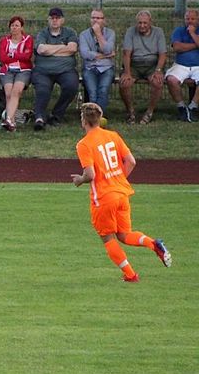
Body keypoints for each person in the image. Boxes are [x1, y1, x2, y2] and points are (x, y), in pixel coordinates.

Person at [70, 102, 171, 283]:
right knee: (124, 235)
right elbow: (131, 161)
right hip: (122, 193)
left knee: (108, 238)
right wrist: (118, 179)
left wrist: (80, 180)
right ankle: (154, 244)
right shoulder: (113, 136)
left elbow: (90, 174)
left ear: (83, 120)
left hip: (104, 198)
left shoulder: (84, 144)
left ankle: (130, 275)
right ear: (100, 119)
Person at [33, 7, 79, 130]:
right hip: (43, 71)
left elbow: (72, 48)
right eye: (52, 18)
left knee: (71, 86)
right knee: (43, 90)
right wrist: (63, 47)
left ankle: (56, 115)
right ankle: (39, 118)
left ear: (62, 20)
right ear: (48, 20)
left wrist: (50, 50)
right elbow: (41, 50)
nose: (54, 20)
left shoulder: (70, 32)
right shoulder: (43, 33)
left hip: (66, 70)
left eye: (57, 18)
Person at [120, 10, 166, 125]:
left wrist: (158, 70)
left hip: (152, 65)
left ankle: (149, 112)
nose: (142, 25)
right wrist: (127, 72)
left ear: (150, 22)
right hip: (134, 64)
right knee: (125, 83)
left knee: (158, 83)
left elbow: (162, 54)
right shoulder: (130, 31)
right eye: (139, 23)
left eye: (145, 23)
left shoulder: (158, 32)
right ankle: (130, 112)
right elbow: (126, 54)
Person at [0, 16, 33, 132]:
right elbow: (3, 58)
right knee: (8, 93)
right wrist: (18, 55)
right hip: (7, 70)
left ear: (21, 27)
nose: (14, 28)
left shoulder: (27, 39)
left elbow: (27, 56)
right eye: (12, 25)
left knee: (16, 91)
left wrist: (12, 55)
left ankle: (8, 119)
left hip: (23, 70)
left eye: (17, 25)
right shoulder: (4, 40)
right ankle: (11, 122)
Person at [78, 9, 117, 113]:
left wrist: (98, 34)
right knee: (93, 92)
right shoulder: (83, 35)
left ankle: (98, 117)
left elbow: (107, 49)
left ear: (104, 20)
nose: (95, 20)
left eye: (98, 18)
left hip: (106, 68)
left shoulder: (110, 33)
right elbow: (85, 54)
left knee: (103, 90)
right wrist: (106, 56)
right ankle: (94, 117)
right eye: (93, 18)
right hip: (89, 68)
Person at [165, 8, 199, 122]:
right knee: (171, 79)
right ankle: (181, 107)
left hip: (197, 66)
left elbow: (182, 46)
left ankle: (193, 107)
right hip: (181, 65)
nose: (190, 21)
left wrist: (192, 33)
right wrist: (196, 45)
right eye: (187, 19)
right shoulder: (178, 31)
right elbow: (177, 47)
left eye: (193, 19)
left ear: (198, 19)